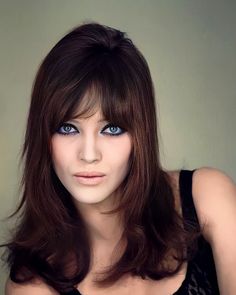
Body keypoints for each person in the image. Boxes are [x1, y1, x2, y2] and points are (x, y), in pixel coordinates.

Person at [2, 22, 236, 295]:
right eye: (68, 128)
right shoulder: (33, 287)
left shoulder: (206, 196)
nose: (89, 155)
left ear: (140, 135)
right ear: (43, 135)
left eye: (112, 129)